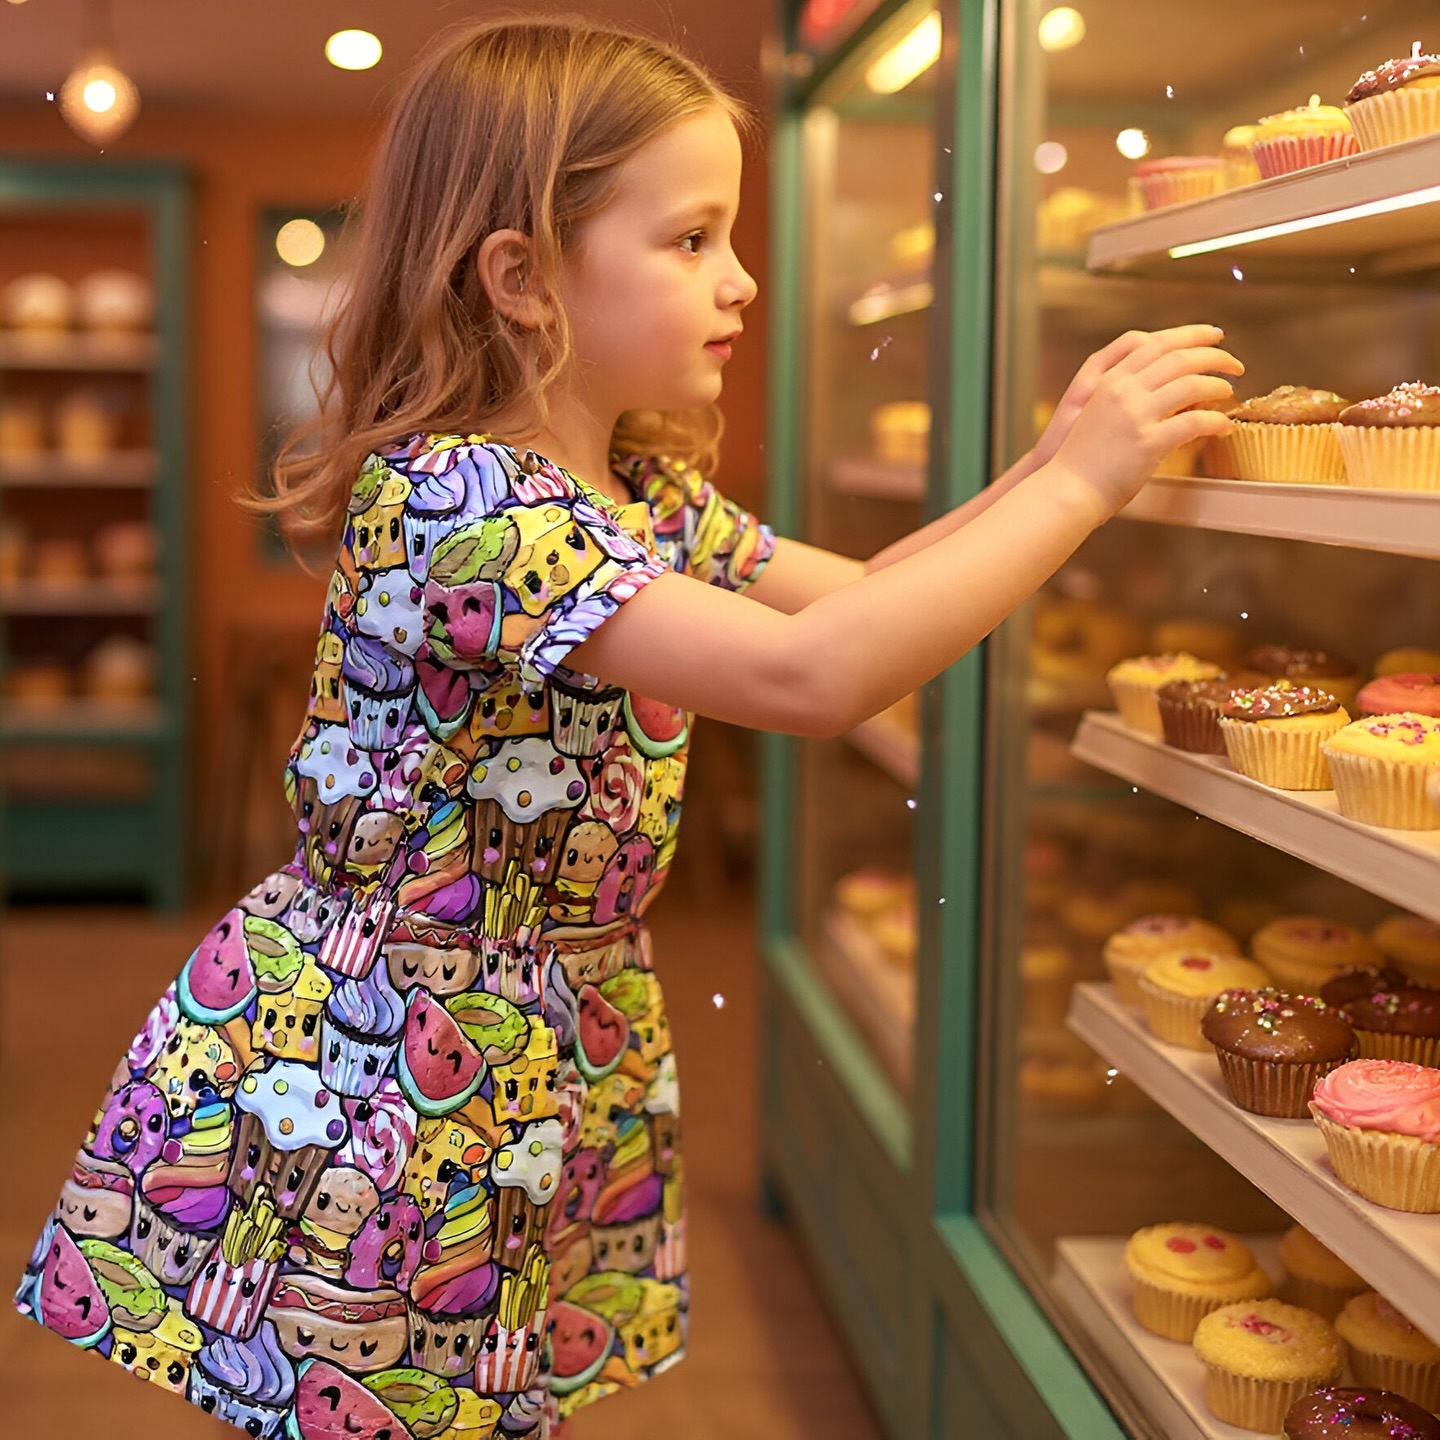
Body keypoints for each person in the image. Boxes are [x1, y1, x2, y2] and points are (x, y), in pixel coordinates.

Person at [10, 16, 1241, 1439]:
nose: (744, 280)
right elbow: (814, 679)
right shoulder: (461, 501)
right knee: (389, 1400)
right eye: (694, 239)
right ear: (524, 278)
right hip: (384, 1065)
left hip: (539, 1034)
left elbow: (862, 606)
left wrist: (1043, 464)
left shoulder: (639, 494)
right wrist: (1076, 486)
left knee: (485, 1394)